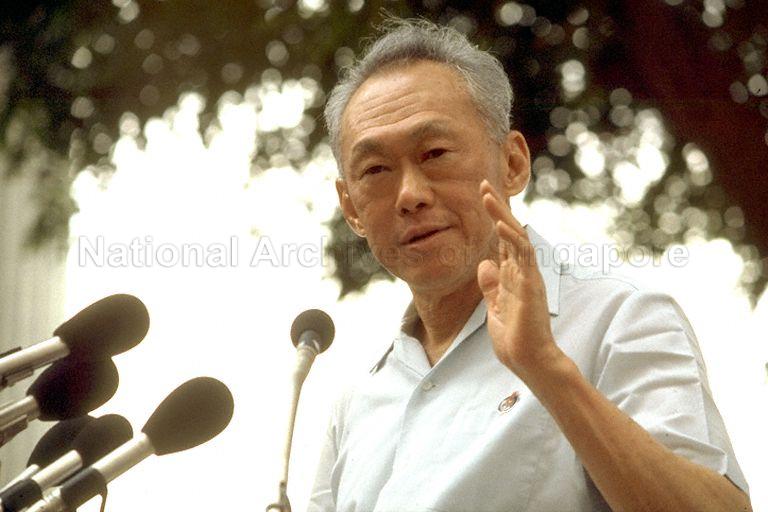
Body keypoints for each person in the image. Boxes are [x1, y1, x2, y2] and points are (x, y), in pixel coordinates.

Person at [308, 18, 751, 512]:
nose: (410, 195)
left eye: (434, 152)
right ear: (351, 209)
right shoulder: (357, 402)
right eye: (375, 170)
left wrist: (546, 370)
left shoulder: (617, 318)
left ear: (514, 163)